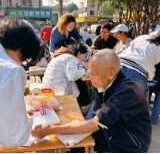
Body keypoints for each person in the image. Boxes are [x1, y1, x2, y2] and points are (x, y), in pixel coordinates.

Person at [32, 49, 152, 153]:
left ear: (110, 74)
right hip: (110, 136)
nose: (90, 78)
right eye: (90, 72)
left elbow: (95, 124)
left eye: (93, 74)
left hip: (127, 147)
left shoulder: (127, 93)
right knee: (77, 148)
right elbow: (98, 119)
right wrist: (91, 136)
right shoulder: (102, 84)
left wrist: (50, 130)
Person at [0, 16, 41, 148]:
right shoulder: (12, 71)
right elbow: (15, 138)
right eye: (25, 58)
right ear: (20, 49)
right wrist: (29, 120)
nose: (22, 63)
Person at [43, 39, 91, 108]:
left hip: (49, 87)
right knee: (79, 82)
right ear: (79, 53)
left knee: (78, 82)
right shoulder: (71, 58)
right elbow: (73, 76)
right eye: (83, 57)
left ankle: (84, 105)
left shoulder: (64, 55)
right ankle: (85, 106)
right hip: (56, 90)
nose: (83, 59)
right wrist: (85, 68)